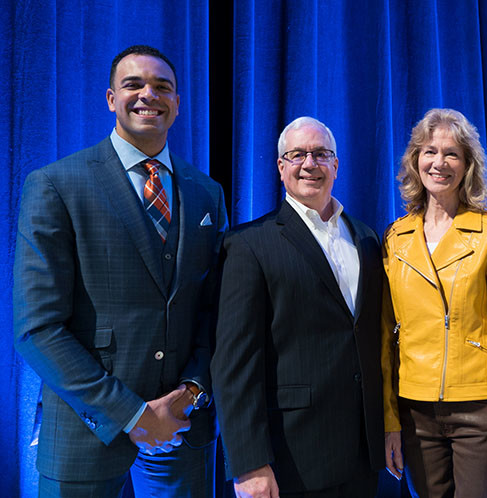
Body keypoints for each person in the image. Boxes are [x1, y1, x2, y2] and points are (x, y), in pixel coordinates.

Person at [13, 45, 227, 496]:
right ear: (111, 98)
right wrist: (131, 414)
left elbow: (216, 312)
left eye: (162, 86)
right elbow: (38, 328)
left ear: (177, 102)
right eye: (133, 84)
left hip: (182, 432)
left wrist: (190, 392)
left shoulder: (206, 192)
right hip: (84, 434)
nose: (148, 94)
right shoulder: (56, 185)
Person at [211, 116, 384, 497]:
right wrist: (249, 463)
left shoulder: (368, 238)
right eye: (297, 154)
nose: (310, 163)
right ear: (280, 167)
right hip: (292, 459)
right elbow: (234, 365)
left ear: (336, 165)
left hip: (363, 456)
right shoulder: (249, 244)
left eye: (321, 154)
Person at [381, 108, 487, 497]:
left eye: (452, 154)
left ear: (467, 165)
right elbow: (385, 343)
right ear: (415, 160)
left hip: (479, 411)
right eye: (429, 151)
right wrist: (390, 422)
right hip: (414, 412)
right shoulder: (396, 238)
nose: (439, 163)